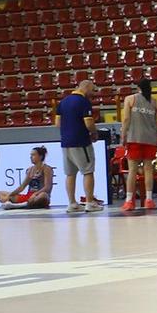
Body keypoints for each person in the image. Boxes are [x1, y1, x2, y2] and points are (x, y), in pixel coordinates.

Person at [56, 77, 101, 213]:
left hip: (65, 143)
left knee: (70, 174)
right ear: (86, 87)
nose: (93, 94)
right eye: (92, 91)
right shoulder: (83, 102)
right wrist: (94, 133)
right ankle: (89, 202)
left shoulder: (62, 102)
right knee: (87, 171)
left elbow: (58, 124)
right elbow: (88, 123)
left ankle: (72, 203)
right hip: (81, 142)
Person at [118, 77, 157, 213]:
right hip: (150, 139)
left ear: (138, 87)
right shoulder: (155, 102)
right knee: (148, 169)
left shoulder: (130, 99)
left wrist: (123, 136)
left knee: (132, 170)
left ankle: (129, 201)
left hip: (134, 138)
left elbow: (126, 119)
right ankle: (149, 200)